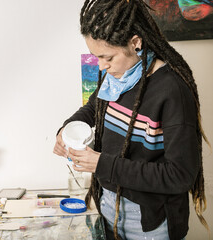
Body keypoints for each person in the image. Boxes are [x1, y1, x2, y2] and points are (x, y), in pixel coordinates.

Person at [53, 0, 210, 239]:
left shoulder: (172, 91)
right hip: (107, 204)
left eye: (108, 57)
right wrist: (66, 130)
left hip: (150, 220)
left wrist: (101, 164)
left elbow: (179, 176)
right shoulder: (118, 75)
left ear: (135, 43)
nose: (102, 67)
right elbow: (93, 107)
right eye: (97, 57)